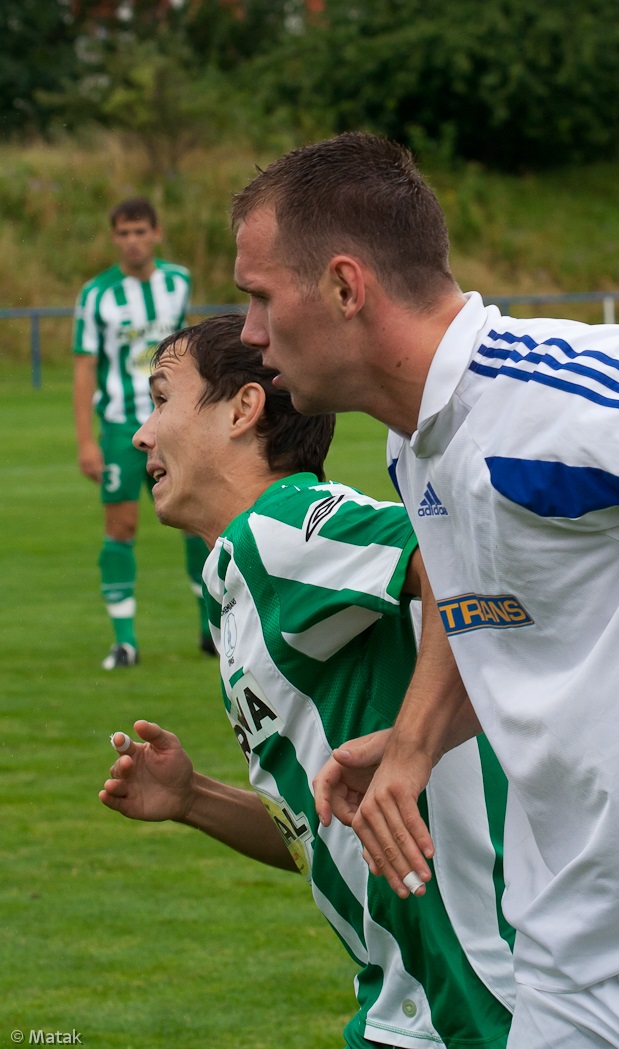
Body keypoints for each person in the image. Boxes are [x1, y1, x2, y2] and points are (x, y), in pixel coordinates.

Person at [230, 131, 619, 1048]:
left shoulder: (557, 405)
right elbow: (489, 602)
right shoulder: (418, 446)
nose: (249, 335)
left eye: (258, 297)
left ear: (343, 286)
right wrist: (413, 744)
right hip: (565, 950)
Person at [99, 312, 515, 1049]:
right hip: (402, 992)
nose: (143, 433)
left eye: (162, 398)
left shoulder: (280, 527)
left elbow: (460, 565)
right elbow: (322, 825)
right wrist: (194, 797)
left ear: (241, 409)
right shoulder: (240, 583)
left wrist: (414, 744)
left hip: (483, 981)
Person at [72, 196, 212, 669]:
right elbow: (84, 367)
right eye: (124, 233)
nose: (133, 241)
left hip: (173, 422)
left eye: (140, 231)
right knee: (122, 526)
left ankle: (210, 628)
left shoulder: (178, 281)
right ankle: (125, 641)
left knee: (195, 520)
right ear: (114, 238)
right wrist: (85, 439)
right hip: (118, 426)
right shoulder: (96, 295)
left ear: (156, 233)